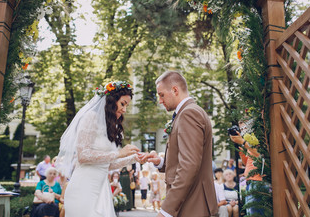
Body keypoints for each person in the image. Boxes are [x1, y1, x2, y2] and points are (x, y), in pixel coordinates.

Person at [55, 81, 142, 217]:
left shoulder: (111, 127)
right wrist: (119, 153)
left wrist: (134, 158)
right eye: (123, 104)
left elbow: (108, 164)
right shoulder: (90, 118)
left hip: (102, 190)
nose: (124, 109)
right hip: (83, 189)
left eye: (127, 105)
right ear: (112, 101)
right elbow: (83, 156)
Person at [141, 71, 218, 217]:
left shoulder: (189, 114)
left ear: (175, 90)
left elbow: (189, 165)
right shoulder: (187, 112)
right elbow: (187, 158)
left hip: (193, 203)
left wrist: (166, 210)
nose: (159, 100)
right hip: (191, 201)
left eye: (161, 94)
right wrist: (161, 162)